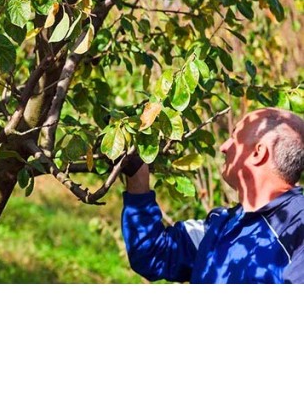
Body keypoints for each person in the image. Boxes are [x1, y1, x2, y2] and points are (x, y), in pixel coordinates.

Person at [121, 107, 304, 283]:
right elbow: (153, 254)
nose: (224, 147)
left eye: (234, 137)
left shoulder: (297, 228)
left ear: (258, 153)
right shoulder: (221, 225)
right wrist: (137, 173)